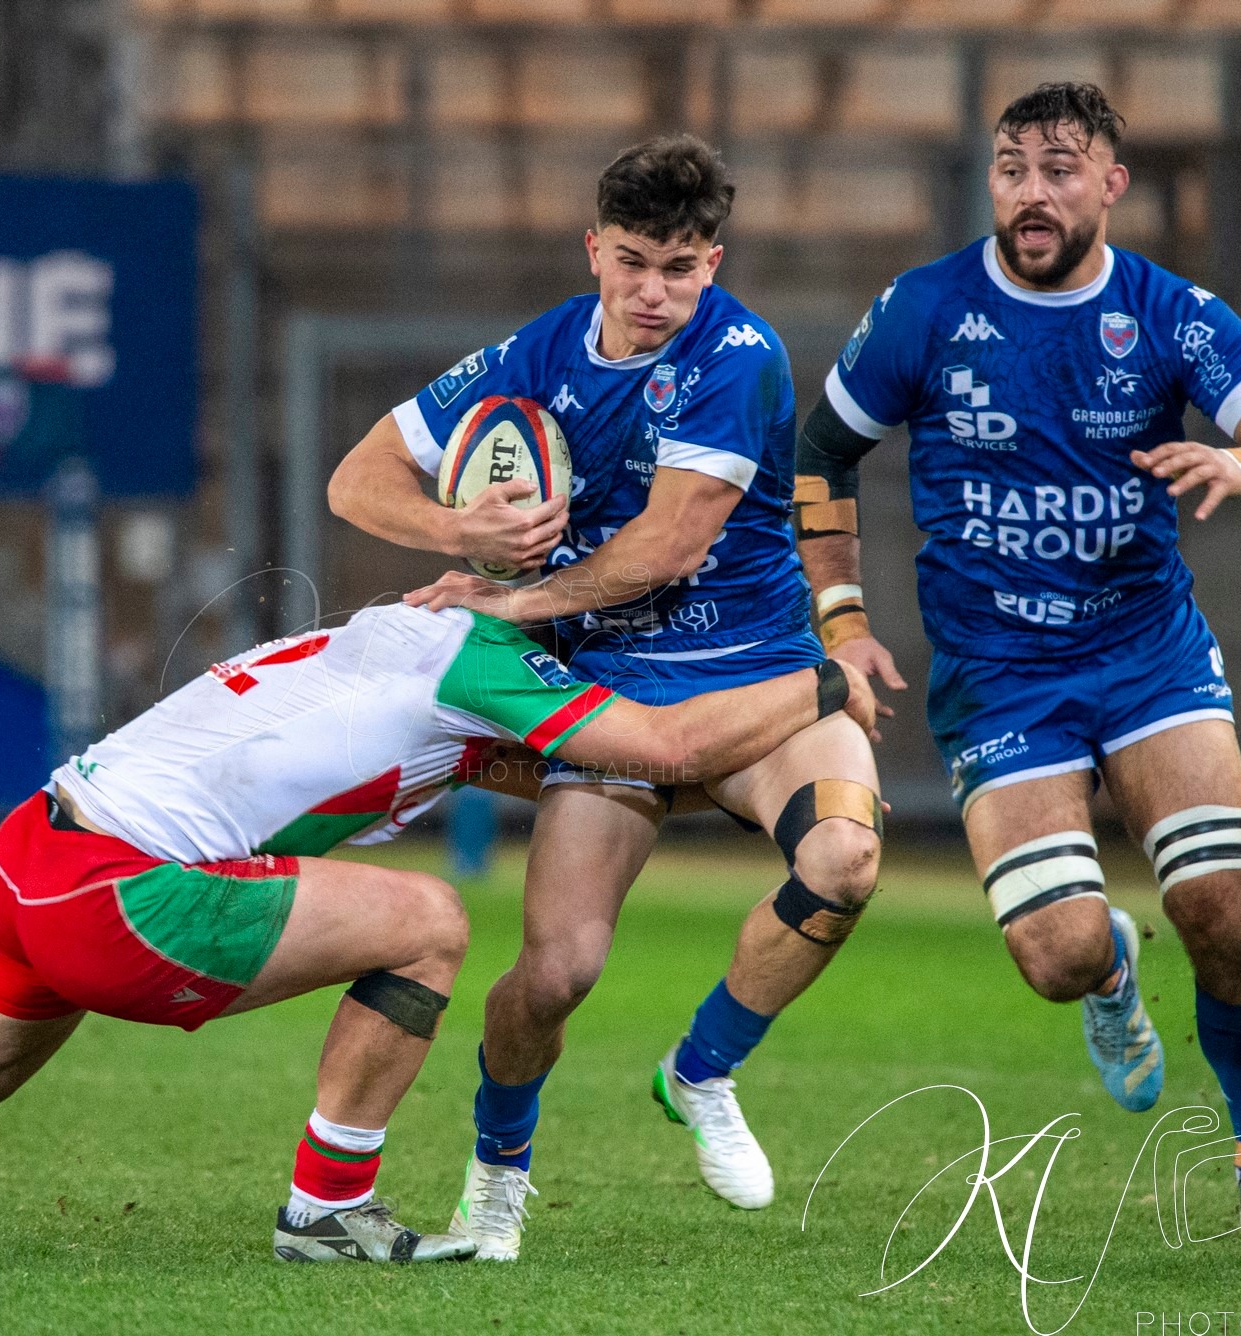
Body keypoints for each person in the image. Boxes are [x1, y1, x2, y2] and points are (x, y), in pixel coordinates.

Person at [0, 600, 877, 1263]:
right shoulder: (486, 663)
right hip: (124, 890)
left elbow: (581, 768)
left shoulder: (406, 636)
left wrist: (688, 777)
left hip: (35, 855)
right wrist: (823, 678)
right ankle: (326, 1210)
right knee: (429, 922)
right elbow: (652, 745)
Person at [795, 83, 1241, 1241]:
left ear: (1110, 184)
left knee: (1217, 905)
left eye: (1058, 168)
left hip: (1146, 654)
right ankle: (1108, 974)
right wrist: (842, 618)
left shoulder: (1170, 313)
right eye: (1010, 168)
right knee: (1052, 954)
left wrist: (1240, 467)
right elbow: (818, 451)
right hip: (1000, 674)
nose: (1030, 193)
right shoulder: (925, 308)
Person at [329, 135, 885, 1259]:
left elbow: (668, 546)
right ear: (593, 249)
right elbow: (356, 479)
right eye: (632, 261)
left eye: (680, 268)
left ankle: (701, 1069)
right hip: (614, 696)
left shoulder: (739, 356)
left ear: (712, 264)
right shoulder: (534, 354)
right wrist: (459, 532)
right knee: (555, 973)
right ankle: (496, 1171)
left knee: (844, 861)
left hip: (755, 677)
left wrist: (507, 604)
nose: (653, 293)